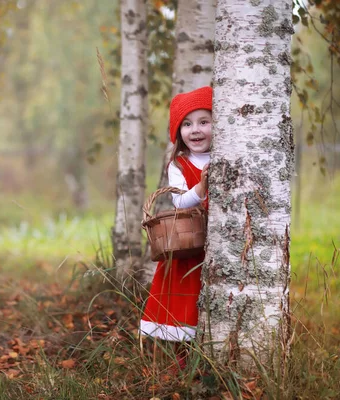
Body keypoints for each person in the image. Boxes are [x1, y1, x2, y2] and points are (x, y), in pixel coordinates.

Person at [140, 86, 212, 368]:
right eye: (187, 124)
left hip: (219, 244)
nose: (195, 130)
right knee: (185, 304)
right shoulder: (179, 164)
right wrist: (202, 187)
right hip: (190, 244)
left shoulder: (230, 154)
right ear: (178, 130)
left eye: (204, 122)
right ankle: (184, 365)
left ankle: (211, 359)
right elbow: (181, 202)